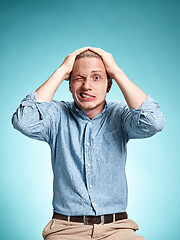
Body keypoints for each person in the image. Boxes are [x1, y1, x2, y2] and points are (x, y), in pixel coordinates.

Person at [11, 46, 165, 240]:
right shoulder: (56, 115)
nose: (87, 86)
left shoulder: (121, 114)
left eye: (96, 77)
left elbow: (155, 122)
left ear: (109, 85)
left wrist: (117, 72)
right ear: (69, 84)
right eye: (78, 78)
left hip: (117, 229)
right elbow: (24, 121)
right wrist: (60, 71)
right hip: (65, 230)